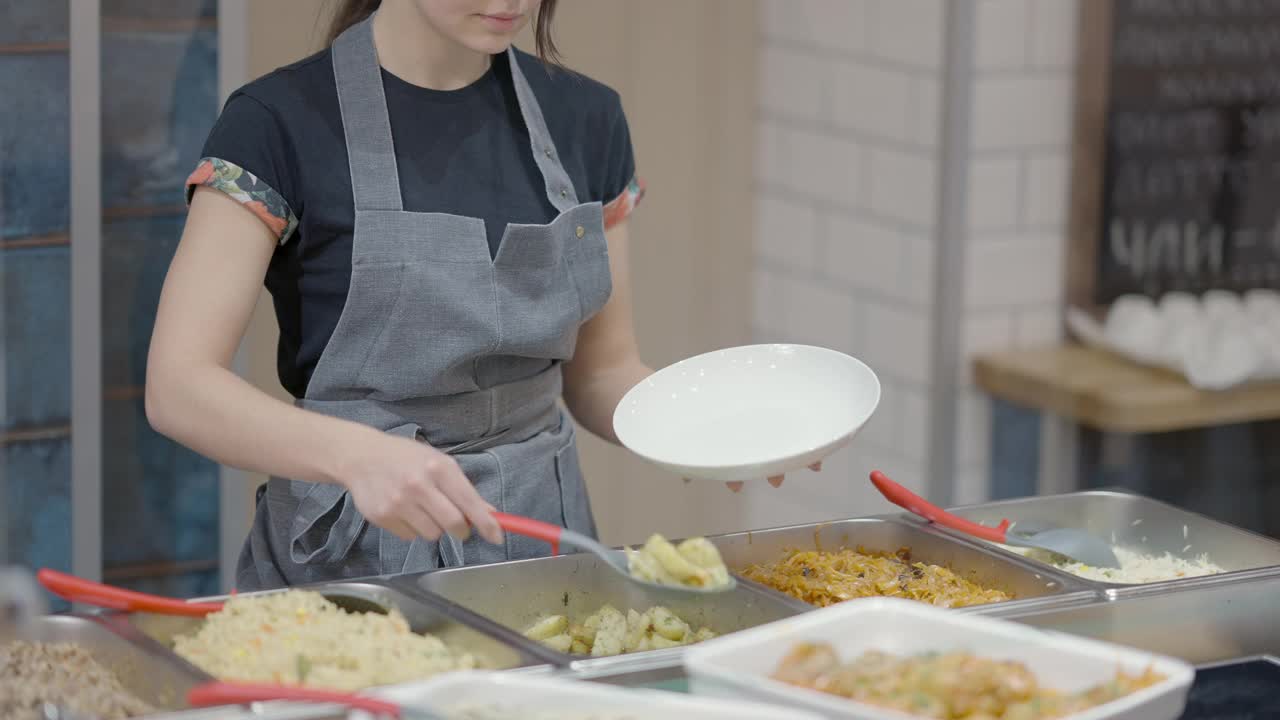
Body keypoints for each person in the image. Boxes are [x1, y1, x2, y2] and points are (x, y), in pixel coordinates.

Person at [147, 0, 799, 591]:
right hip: (349, 573)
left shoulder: (587, 119)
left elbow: (603, 372)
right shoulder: (277, 122)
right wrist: (356, 456)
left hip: (544, 555)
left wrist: (700, 429)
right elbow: (179, 386)